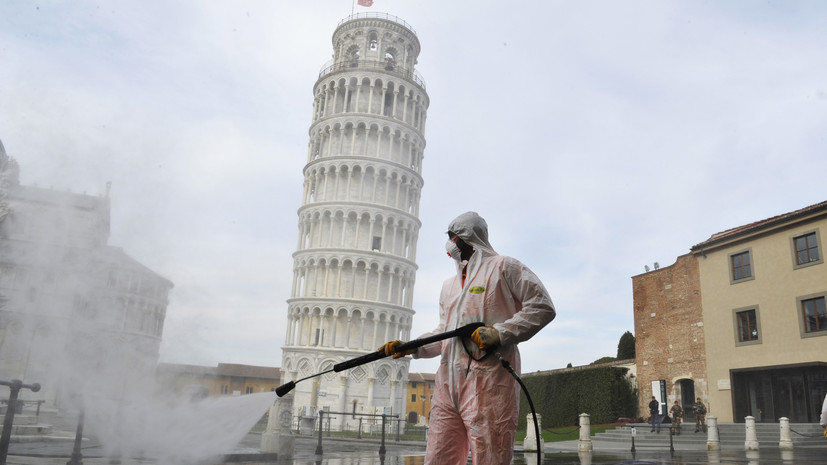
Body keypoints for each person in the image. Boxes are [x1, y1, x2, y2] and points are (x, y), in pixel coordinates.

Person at [378, 212, 556, 465]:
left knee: (490, 456)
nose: (450, 242)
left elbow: (542, 307)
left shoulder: (504, 267)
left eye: (454, 236)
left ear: (468, 236)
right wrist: (411, 347)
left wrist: (500, 333)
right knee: (439, 457)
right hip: (447, 388)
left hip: (489, 383)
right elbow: (444, 334)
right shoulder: (449, 285)